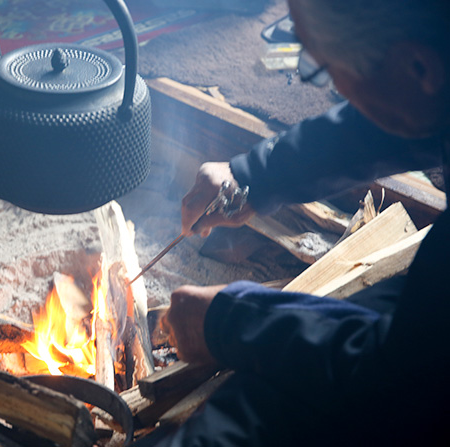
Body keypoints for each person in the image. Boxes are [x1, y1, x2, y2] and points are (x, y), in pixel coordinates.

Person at [144, 0, 450, 445]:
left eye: (324, 67)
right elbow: (387, 123)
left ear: (418, 66)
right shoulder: (434, 74)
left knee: (245, 416)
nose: (336, 91)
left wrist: (231, 321)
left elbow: (402, 379)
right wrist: (253, 176)